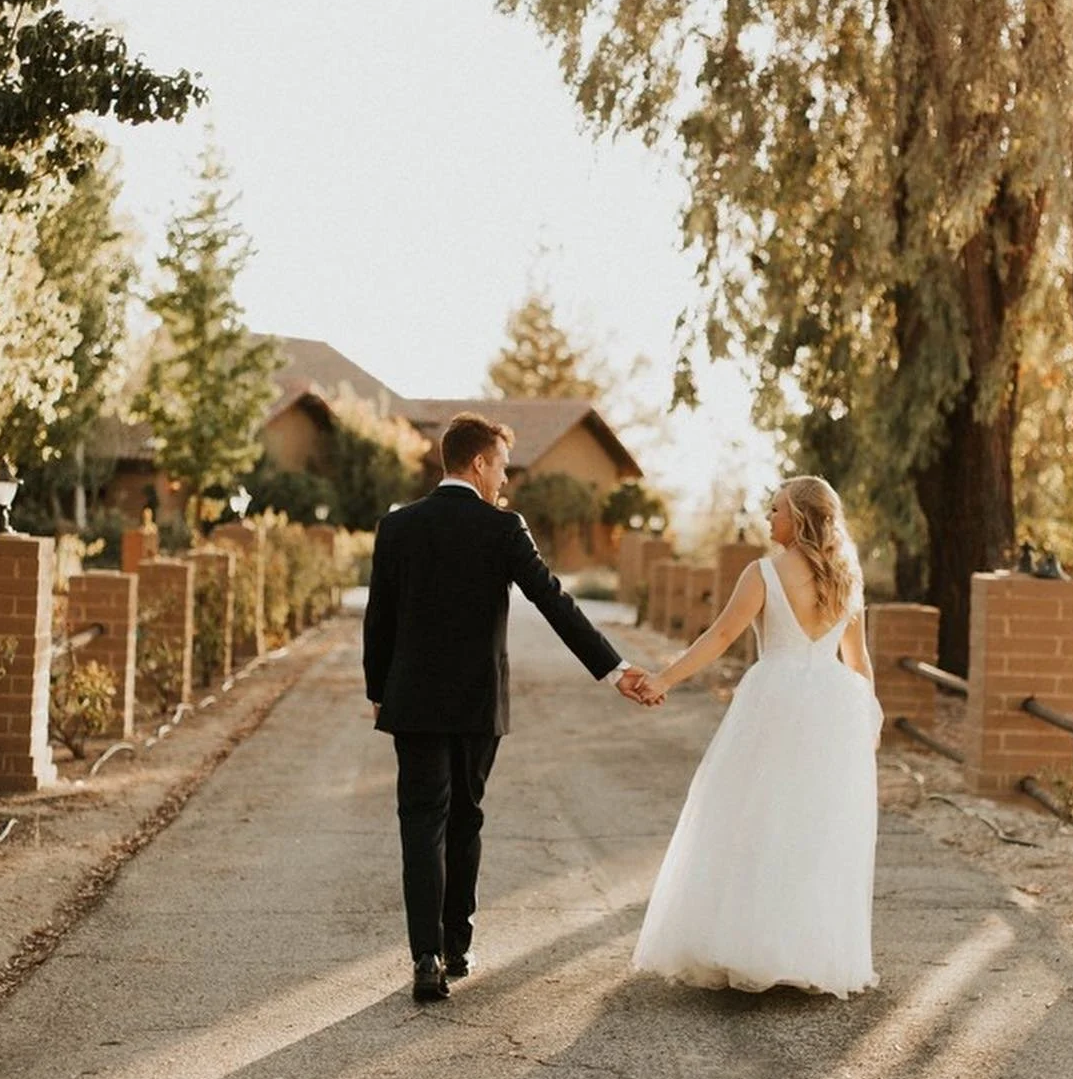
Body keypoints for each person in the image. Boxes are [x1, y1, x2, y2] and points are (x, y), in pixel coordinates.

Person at [364, 411, 657, 1003]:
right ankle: (456, 944)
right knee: (466, 816)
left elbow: (380, 620)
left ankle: (425, 958)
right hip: (477, 704)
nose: (504, 480)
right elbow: (554, 602)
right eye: (500, 466)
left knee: (421, 825)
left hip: (413, 703)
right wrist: (614, 669)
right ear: (477, 463)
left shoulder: (397, 527)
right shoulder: (503, 529)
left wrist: (379, 691)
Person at [632, 476, 882, 995]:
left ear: (801, 517)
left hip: (776, 699)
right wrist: (868, 718)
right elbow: (859, 663)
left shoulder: (764, 572)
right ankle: (803, 951)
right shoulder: (846, 577)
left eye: (776, 510)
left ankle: (749, 945)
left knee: (755, 815)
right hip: (835, 708)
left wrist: (664, 679)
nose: (769, 519)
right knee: (815, 827)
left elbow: (720, 635)